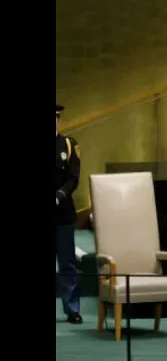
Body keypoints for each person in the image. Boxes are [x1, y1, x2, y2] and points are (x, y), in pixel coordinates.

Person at [56, 104, 83, 324]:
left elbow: (74, 177)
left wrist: (59, 195)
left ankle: (72, 308)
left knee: (67, 263)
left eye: (56, 118)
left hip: (62, 212)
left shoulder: (68, 144)